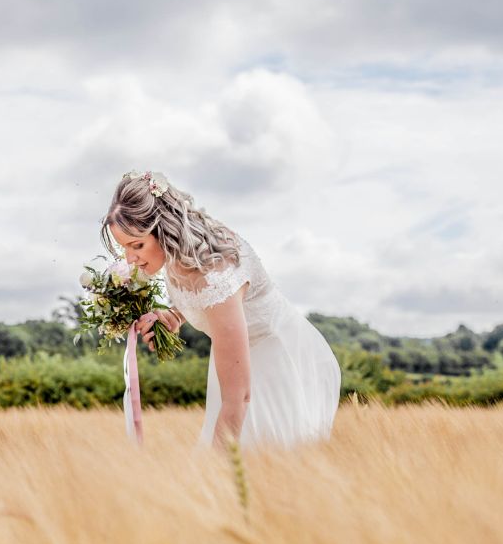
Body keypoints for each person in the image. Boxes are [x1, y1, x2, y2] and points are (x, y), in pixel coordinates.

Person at [100, 170, 341, 451]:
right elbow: (196, 298)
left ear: (164, 230)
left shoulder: (217, 274)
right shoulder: (181, 252)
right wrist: (175, 315)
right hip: (231, 364)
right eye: (124, 248)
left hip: (278, 363)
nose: (130, 259)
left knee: (252, 462)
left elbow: (238, 398)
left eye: (137, 245)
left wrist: (213, 474)